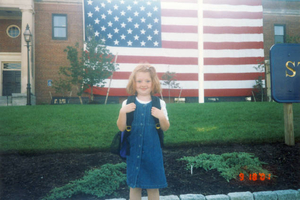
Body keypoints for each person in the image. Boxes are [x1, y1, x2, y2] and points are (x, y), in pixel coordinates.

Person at [117, 64, 170, 200]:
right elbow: (121, 127)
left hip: (153, 152)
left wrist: (161, 116)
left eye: (147, 81)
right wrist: (123, 112)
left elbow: (165, 127)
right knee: (135, 186)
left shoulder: (159, 104)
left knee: (153, 187)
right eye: (139, 81)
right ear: (133, 83)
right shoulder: (127, 103)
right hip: (134, 151)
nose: (143, 84)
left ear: (153, 83)